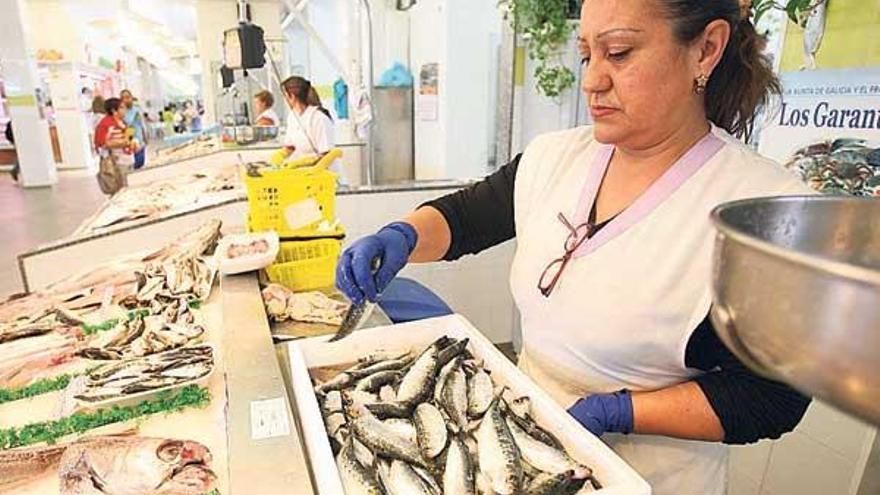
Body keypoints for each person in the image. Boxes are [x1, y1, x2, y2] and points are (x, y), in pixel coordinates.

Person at [334, 1, 811, 494]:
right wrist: (403, 236)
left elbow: (770, 398)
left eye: (619, 53)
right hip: (518, 445)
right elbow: (465, 217)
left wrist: (620, 410)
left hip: (648, 475)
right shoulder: (557, 158)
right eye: (587, 55)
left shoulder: (762, 213)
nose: (592, 80)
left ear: (706, 49)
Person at [268, 76, 342, 179]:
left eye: (285, 95)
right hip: (305, 176)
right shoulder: (293, 116)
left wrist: (302, 163)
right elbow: (290, 146)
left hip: (325, 177)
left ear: (292, 96)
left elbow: (326, 154)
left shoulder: (318, 117)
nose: (285, 99)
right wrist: (280, 155)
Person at [94, 97, 135, 179]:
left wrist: (132, 142)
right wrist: (123, 142)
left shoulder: (124, 122)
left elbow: (129, 138)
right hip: (116, 162)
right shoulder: (105, 124)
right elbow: (103, 144)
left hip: (129, 159)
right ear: (114, 110)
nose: (125, 110)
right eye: (122, 107)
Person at [120, 90, 147, 170]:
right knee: (135, 164)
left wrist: (145, 136)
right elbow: (127, 123)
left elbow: (141, 123)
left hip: (140, 138)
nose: (126, 100)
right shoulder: (122, 111)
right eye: (123, 98)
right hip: (129, 140)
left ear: (131, 97)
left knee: (141, 162)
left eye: (128, 97)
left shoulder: (137, 109)